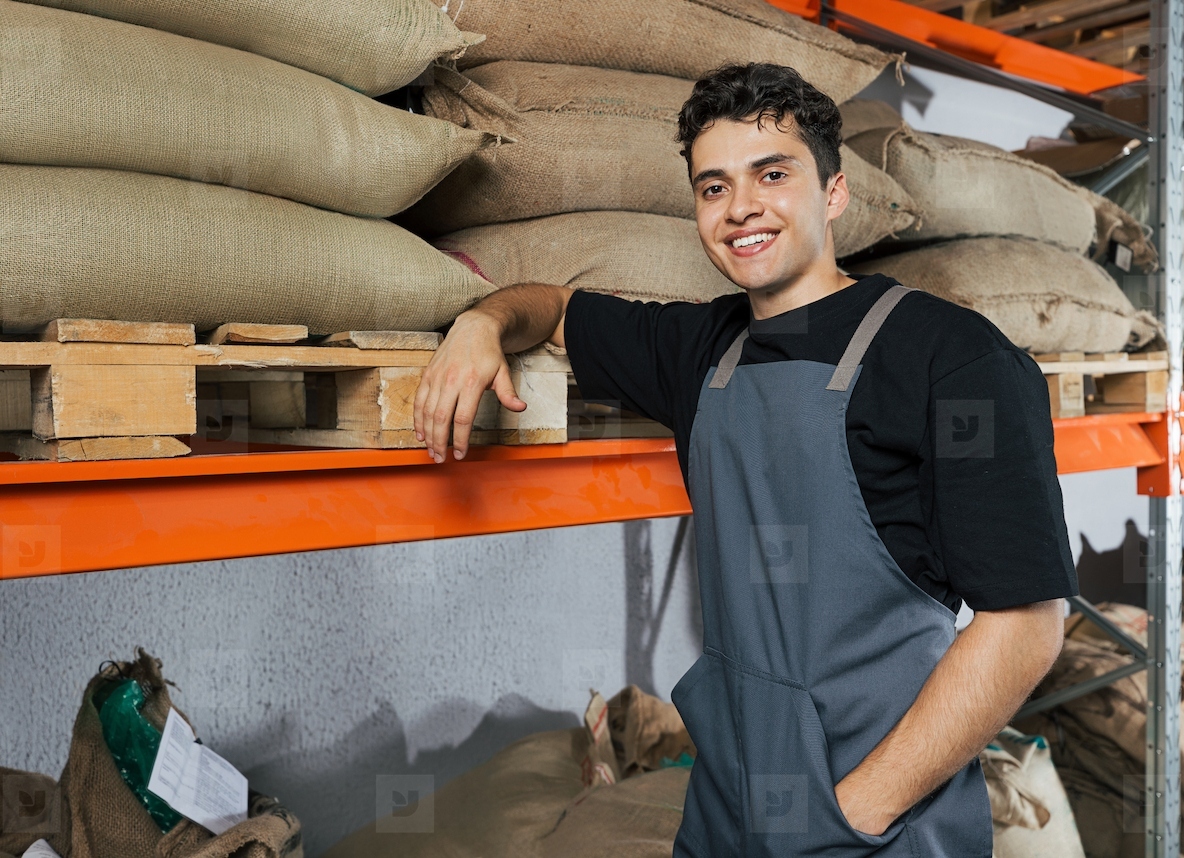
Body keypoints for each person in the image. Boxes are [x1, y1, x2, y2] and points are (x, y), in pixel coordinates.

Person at [413, 62, 1077, 856]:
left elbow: (1026, 624)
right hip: (728, 806)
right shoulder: (700, 348)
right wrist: (481, 324)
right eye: (714, 187)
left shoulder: (953, 358)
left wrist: (857, 811)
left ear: (835, 192)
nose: (742, 208)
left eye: (772, 174)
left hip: (873, 821)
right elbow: (551, 306)